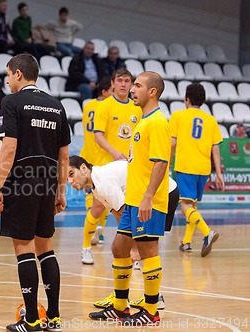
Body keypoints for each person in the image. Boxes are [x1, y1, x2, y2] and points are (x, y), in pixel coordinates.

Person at [0, 53, 71, 332]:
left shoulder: (11, 102)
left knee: (23, 248)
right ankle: (55, 317)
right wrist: (60, 191)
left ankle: (32, 321)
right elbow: (64, 156)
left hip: (22, 181)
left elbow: (9, 148)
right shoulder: (56, 105)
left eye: (8, 74)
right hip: (48, 182)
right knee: (45, 247)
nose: (8, 80)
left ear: (18, 74)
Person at [89, 71, 170, 326]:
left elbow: (161, 162)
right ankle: (120, 307)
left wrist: (148, 197)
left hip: (149, 201)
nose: (131, 89)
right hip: (133, 200)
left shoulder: (157, 122)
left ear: (152, 91)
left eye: (137, 85)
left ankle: (151, 310)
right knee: (119, 247)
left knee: (147, 250)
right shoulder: (143, 120)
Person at [67, 156, 180, 310]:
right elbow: (120, 216)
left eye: (71, 174)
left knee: (144, 248)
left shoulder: (103, 183)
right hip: (159, 193)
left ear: (84, 168)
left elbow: (125, 213)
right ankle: (126, 296)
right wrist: (131, 243)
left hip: (162, 193)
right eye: (67, 178)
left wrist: (134, 246)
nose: (70, 181)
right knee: (123, 247)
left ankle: (153, 298)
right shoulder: (96, 186)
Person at [170, 83, 224, 257]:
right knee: (191, 205)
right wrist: (219, 174)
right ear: (203, 101)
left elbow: (172, 143)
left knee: (185, 206)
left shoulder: (178, 116)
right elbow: (215, 149)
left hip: (185, 166)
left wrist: (165, 164)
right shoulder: (211, 120)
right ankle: (186, 242)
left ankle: (207, 232)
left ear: (186, 99)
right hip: (203, 169)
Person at [78, 77, 112, 264]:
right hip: (100, 153)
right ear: (105, 92)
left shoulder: (88, 105)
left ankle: (95, 228)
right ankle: (99, 228)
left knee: (89, 192)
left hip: (86, 152)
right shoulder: (107, 107)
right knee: (105, 195)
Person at [93, 68, 142, 167]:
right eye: (119, 81)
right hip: (107, 164)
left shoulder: (137, 108)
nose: (123, 84)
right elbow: (98, 136)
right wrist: (114, 152)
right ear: (113, 84)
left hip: (129, 164)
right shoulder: (104, 105)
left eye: (127, 81)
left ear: (131, 85)